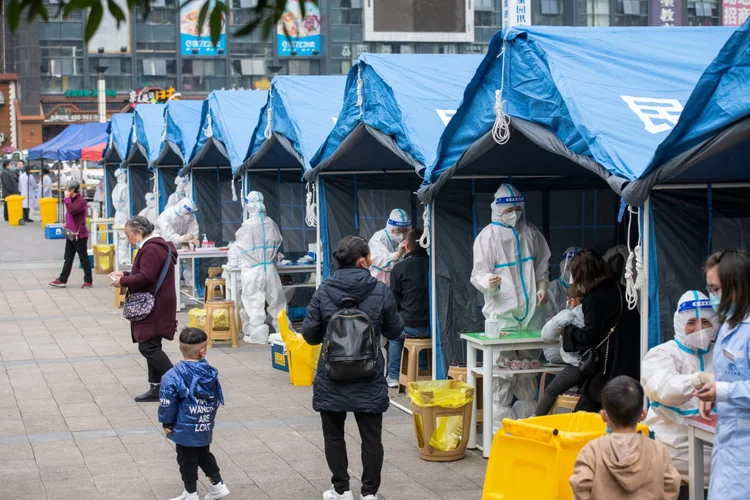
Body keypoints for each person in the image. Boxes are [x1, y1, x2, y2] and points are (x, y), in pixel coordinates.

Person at [302, 236, 404, 500]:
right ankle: (369, 493)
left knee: (334, 436)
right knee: (371, 437)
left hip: (332, 375)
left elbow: (311, 335)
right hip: (369, 375)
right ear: (362, 260)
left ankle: (341, 490)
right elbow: (395, 330)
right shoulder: (380, 290)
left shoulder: (324, 290)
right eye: (369, 256)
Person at [471, 184, 552, 422]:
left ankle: (526, 425)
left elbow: (542, 263)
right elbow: (477, 274)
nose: (514, 213)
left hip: (532, 316)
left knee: (529, 372)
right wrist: (489, 282)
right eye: (509, 208)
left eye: (518, 208)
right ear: (498, 209)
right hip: (502, 317)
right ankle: (499, 430)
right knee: (501, 374)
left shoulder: (530, 233)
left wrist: (542, 285)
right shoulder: (487, 237)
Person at [641, 290, 718, 485]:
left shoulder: (722, 354)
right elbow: (661, 387)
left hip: (719, 446)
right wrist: (697, 379)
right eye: (691, 323)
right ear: (679, 324)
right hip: (676, 448)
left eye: (706, 322)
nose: (699, 329)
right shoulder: (662, 354)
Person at [569, 376, 681, 500]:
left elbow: (579, 485)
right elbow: (672, 484)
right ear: (643, 415)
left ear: (604, 416)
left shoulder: (592, 450)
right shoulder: (658, 450)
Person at [695, 249, 750, 500]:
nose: (713, 296)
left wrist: (723, 391)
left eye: (717, 289)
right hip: (729, 442)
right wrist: (714, 394)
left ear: (737, 287)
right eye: (710, 289)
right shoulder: (730, 325)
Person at [562, 249, 640, 412]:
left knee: (585, 415)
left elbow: (589, 336)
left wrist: (567, 332)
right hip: (632, 362)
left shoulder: (594, 299)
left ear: (582, 275)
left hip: (609, 367)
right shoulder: (622, 289)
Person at [110, 216, 177, 402]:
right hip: (159, 301)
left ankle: (178, 381)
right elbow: (147, 273)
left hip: (155, 303)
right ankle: (156, 387)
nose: (128, 239)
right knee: (152, 343)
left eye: (128, 235)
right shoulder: (155, 247)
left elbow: (145, 277)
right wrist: (124, 274)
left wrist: (122, 281)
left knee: (148, 346)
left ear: (139, 233)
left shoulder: (151, 248)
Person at [159, 327, 230, 500]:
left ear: (179, 348)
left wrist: (166, 422)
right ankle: (217, 484)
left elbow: (168, 403)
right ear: (203, 351)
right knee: (203, 453)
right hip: (203, 420)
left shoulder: (172, 376)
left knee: (186, 459)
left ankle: (190, 493)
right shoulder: (211, 373)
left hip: (183, 425)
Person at [234, 191, 288, 344]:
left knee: (253, 302)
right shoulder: (271, 222)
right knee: (277, 301)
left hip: (253, 269)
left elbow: (242, 248)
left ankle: (258, 336)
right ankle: (284, 332)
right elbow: (277, 241)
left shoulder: (248, 225)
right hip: (269, 267)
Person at [387, 228, 430, 387]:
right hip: (434, 328)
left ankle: (393, 377)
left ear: (407, 246)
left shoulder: (399, 268)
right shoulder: (434, 265)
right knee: (423, 338)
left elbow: (393, 302)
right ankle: (424, 370)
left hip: (410, 326)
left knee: (395, 337)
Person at [534, 286, 586, 416]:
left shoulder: (568, 314)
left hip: (574, 367)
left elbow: (546, 335)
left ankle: (536, 418)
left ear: (571, 301)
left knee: (551, 390)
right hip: (592, 367)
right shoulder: (593, 314)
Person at [49, 181, 93, 289]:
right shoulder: (71, 200)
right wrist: (66, 223)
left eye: (67, 189)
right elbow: (70, 215)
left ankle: (88, 280)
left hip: (79, 234)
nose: (65, 191)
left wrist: (67, 199)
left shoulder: (80, 201)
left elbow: (72, 210)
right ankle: (62, 279)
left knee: (83, 257)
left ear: (73, 190)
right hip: (69, 232)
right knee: (68, 257)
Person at [157, 197, 200, 288]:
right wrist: (183, 238)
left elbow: (193, 228)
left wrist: (193, 238)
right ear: (182, 209)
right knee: (172, 266)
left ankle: (191, 286)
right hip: (163, 245)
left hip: (180, 242)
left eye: (192, 213)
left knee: (190, 262)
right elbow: (167, 236)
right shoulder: (166, 216)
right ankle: (174, 288)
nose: (190, 215)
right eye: (189, 212)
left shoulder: (190, 215)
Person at [368, 208, 411, 286]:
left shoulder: (405, 239)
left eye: (404, 231)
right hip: (379, 285)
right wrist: (397, 255)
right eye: (398, 231)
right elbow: (380, 260)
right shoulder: (379, 238)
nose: (401, 235)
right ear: (390, 227)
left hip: (397, 284)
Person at [547, 246, 580, 316]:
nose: (573, 271)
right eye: (569, 267)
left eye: (578, 268)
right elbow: (547, 318)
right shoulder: (552, 289)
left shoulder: (586, 289)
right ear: (562, 266)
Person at [112, 168, 131, 265]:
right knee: (124, 236)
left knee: (120, 236)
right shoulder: (124, 187)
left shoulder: (117, 187)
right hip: (123, 214)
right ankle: (123, 258)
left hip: (119, 214)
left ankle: (120, 257)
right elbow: (124, 202)